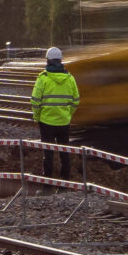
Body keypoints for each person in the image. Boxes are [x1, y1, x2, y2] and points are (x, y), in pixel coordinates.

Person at [31, 47, 80, 180]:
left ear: (48, 61)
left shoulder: (43, 78)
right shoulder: (70, 78)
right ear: (60, 60)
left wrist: (37, 117)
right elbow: (76, 100)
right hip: (64, 122)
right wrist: (67, 114)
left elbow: (35, 101)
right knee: (65, 153)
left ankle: (47, 182)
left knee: (48, 153)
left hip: (46, 122)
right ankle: (65, 181)